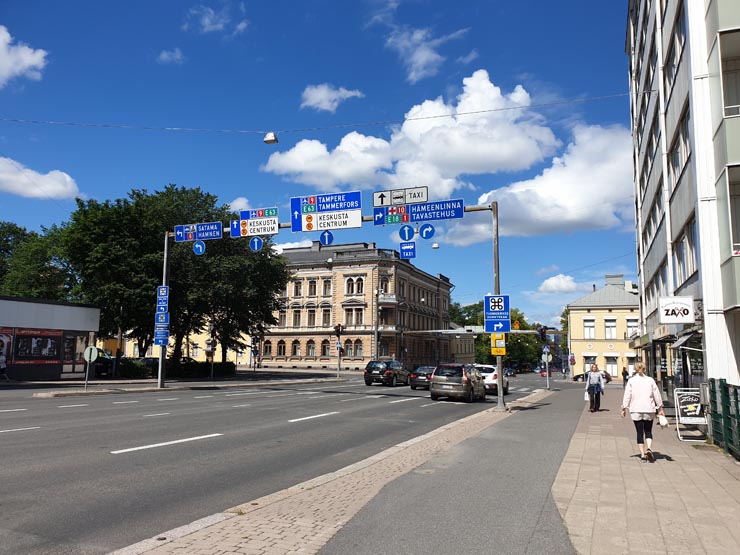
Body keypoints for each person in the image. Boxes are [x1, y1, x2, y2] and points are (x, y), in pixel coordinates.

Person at [621, 362, 665, 463]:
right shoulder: (650, 380)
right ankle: (649, 448)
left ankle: (642, 455)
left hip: (636, 409)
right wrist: (660, 407)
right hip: (649, 409)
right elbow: (657, 394)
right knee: (648, 431)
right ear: (645, 369)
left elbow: (627, 395)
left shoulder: (631, 381)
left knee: (639, 432)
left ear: (635, 369)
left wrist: (624, 408)